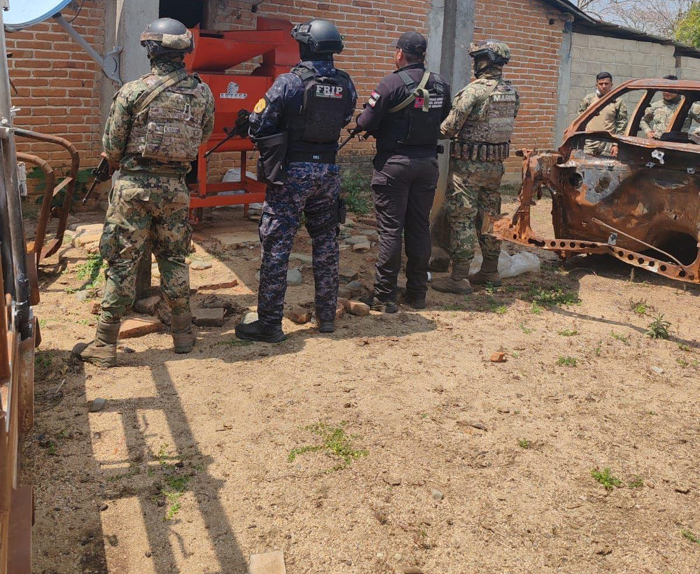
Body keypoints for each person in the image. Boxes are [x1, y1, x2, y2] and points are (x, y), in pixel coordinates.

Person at [73, 18, 215, 368]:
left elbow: (112, 145)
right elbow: (203, 137)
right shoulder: (202, 92)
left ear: (151, 49)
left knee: (122, 261)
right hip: (175, 189)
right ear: (184, 52)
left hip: (134, 190)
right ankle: (183, 335)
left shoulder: (133, 92)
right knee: (174, 258)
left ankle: (105, 344)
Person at [235, 19, 357, 343]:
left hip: (291, 173)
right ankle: (327, 318)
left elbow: (258, 125)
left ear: (305, 46)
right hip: (328, 172)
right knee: (327, 243)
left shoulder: (289, 82)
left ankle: (270, 325)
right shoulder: (346, 83)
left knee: (277, 246)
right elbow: (345, 118)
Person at [355, 32, 450, 311]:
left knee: (391, 231)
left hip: (394, 166)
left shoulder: (391, 82)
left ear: (399, 54)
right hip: (427, 164)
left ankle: (386, 296)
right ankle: (417, 293)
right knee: (420, 227)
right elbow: (444, 117)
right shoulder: (441, 84)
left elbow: (367, 120)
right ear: (423, 54)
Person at [432, 40, 519, 295]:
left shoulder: (473, 91)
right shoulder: (512, 92)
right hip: (495, 166)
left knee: (463, 217)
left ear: (482, 62)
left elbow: (448, 129)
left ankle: (458, 278)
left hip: (468, 168)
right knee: (493, 217)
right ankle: (490, 271)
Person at [576, 71, 628, 156]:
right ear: (597, 85)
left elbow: (622, 124)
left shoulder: (618, 102)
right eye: (601, 84)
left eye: (606, 83)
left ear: (611, 84)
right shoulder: (589, 99)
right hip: (589, 142)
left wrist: (616, 144)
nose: (604, 86)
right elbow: (580, 118)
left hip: (607, 143)